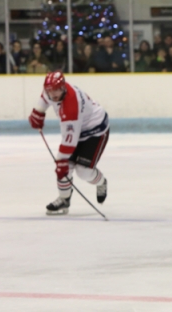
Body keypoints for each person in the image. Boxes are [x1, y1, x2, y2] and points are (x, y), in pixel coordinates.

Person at [27, 71, 110, 215]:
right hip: (76, 129)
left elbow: (69, 141)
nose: (53, 94)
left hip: (95, 131)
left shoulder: (71, 106)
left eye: (56, 89)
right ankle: (64, 199)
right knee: (67, 166)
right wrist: (39, 111)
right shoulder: (51, 90)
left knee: (83, 172)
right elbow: (45, 97)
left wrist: (61, 162)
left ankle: (101, 182)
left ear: (63, 87)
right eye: (50, 90)